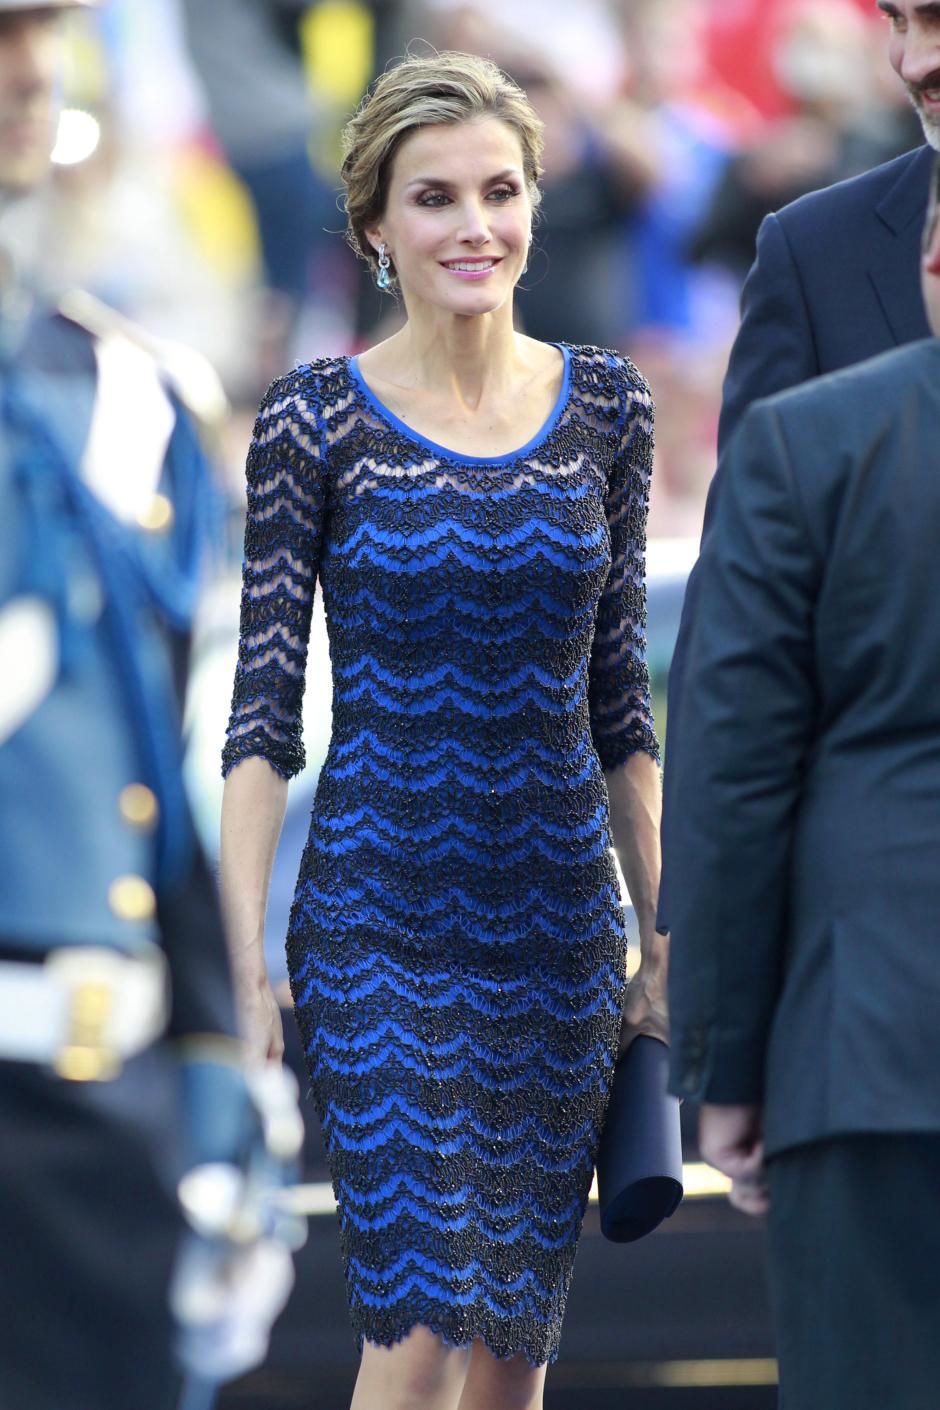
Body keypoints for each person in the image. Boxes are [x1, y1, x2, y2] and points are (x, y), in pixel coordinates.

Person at [220, 49, 667, 1410]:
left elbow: (620, 709)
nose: (475, 225)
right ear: (376, 228)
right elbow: (260, 714)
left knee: (510, 1358)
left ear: (536, 202)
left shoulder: (609, 406)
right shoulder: (313, 419)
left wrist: (666, 939)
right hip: (376, 928)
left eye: (499, 190)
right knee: (416, 1324)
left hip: (558, 940)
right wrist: (241, 961)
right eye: (434, 198)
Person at [0, 6, 301, 1407]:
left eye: (33, 65)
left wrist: (221, 1077)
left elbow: (170, 778)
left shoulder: (123, 395)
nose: (19, 88)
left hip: (94, 1096)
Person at [664, 154, 940, 1410]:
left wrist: (723, 1059)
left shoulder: (810, 444)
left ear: (927, 263)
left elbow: (735, 762)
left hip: (869, 1047)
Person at [658, 0, 939, 933]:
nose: (912, 60)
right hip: (882, 950)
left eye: (937, 18)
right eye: (897, 21)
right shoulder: (820, 254)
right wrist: (705, 974)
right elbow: (738, 629)